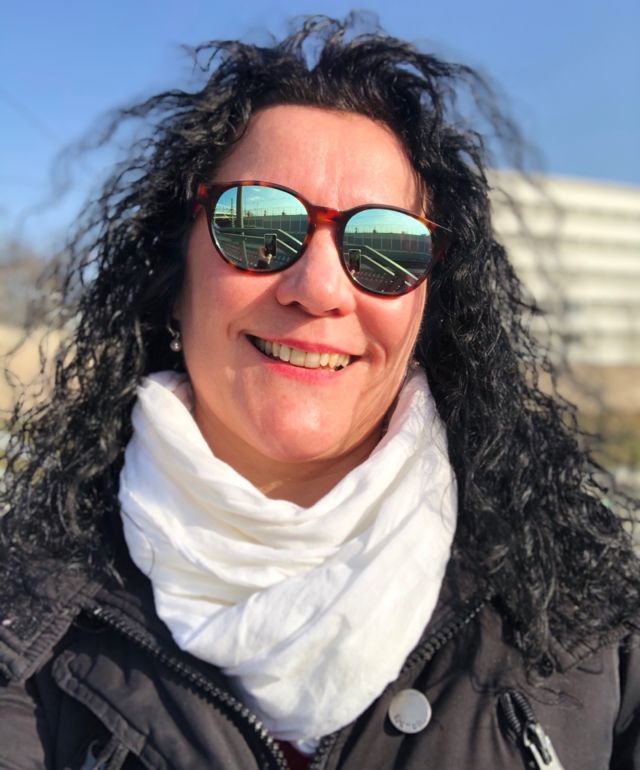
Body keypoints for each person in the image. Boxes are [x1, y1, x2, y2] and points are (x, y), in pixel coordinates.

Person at [1, 16, 639, 770]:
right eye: (257, 226)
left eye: (387, 245)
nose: (320, 288)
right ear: (174, 280)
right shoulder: (23, 630)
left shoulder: (589, 629)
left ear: (427, 306)